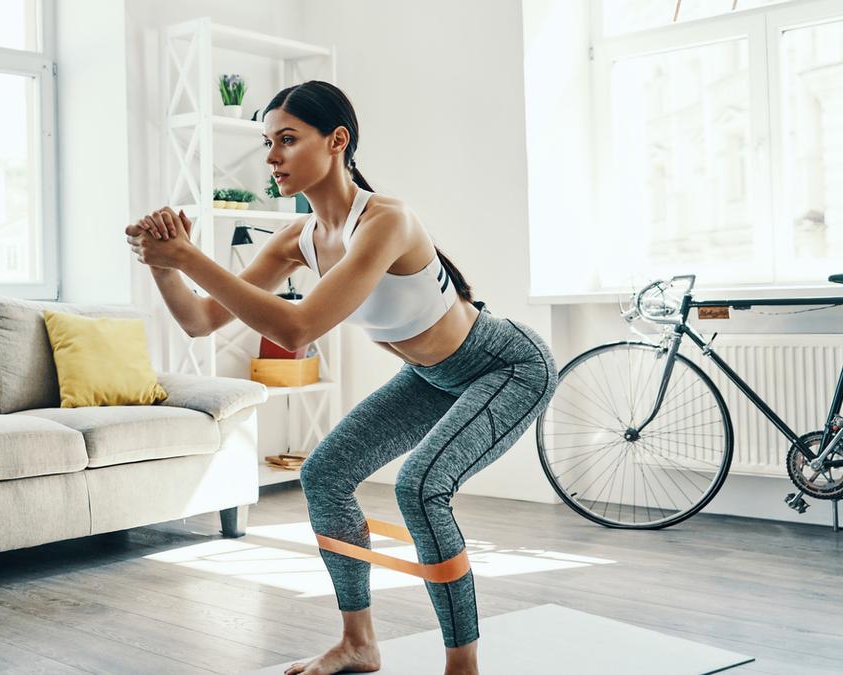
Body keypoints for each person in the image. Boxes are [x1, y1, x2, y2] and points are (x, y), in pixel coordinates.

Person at [125, 80, 557, 675]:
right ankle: (358, 642)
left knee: (419, 487)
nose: (271, 156)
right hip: (434, 375)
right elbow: (202, 321)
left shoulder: (386, 220)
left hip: (506, 366)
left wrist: (191, 258)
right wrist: (163, 265)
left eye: (286, 139)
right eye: (266, 142)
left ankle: (463, 666)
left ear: (337, 141)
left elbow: (299, 328)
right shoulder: (298, 240)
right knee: (325, 474)